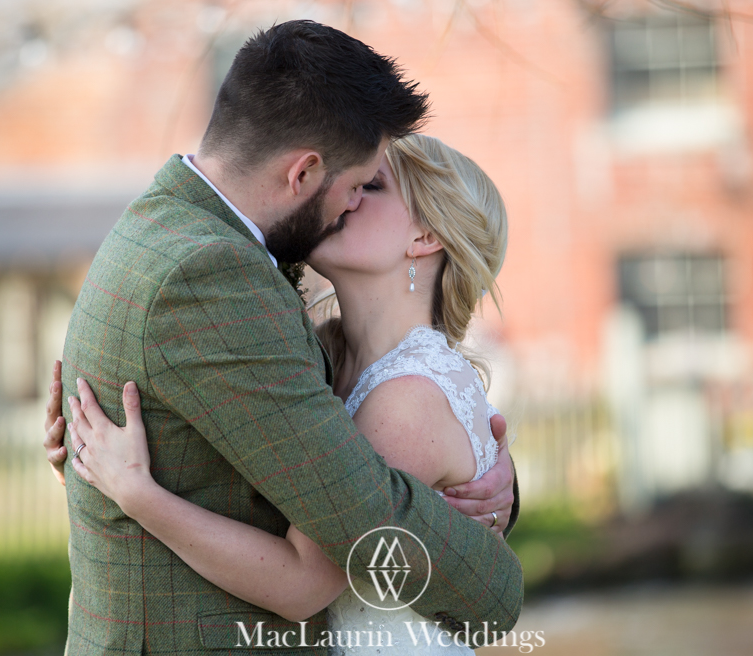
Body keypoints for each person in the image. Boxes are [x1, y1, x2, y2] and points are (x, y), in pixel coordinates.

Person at [45, 20, 522, 655]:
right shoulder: (220, 279)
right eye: (357, 184)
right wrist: (112, 482)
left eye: (371, 189)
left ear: (426, 237)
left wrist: (494, 488)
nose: (350, 203)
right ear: (303, 174)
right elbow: (330, 529)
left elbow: (346, 495)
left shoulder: (168, 233)